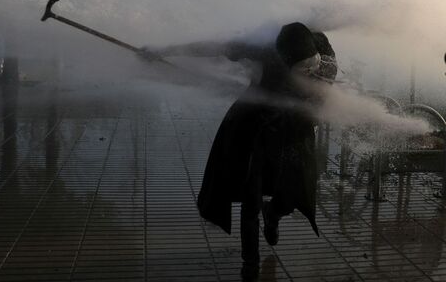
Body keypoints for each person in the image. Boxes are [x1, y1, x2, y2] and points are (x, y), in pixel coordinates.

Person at [142, 22, 337, 281]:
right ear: (283, 59)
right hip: (256, 125)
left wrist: (313, 106)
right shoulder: (262, 49)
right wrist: (162, 50)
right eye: (302, 70)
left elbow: (327, 85)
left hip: (295, 125)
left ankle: (275, 212)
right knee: (250, 195)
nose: (311, 72)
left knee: (295, 189)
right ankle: (250, 263)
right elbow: (212, 46)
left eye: (312, 65)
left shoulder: (321, 46)